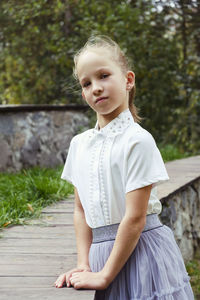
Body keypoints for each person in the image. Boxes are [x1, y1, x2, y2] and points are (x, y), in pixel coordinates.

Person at [54, 35, 194, 299]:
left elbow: (135, 217)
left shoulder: (137, 140)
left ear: (128, 80)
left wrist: (106, 275)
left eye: (104, 76)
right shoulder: (79, 144)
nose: (96, 87)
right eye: (87, 83)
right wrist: (84, 265)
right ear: (83, 92)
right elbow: (80, 209)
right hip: (99, 255)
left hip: (142, 255)